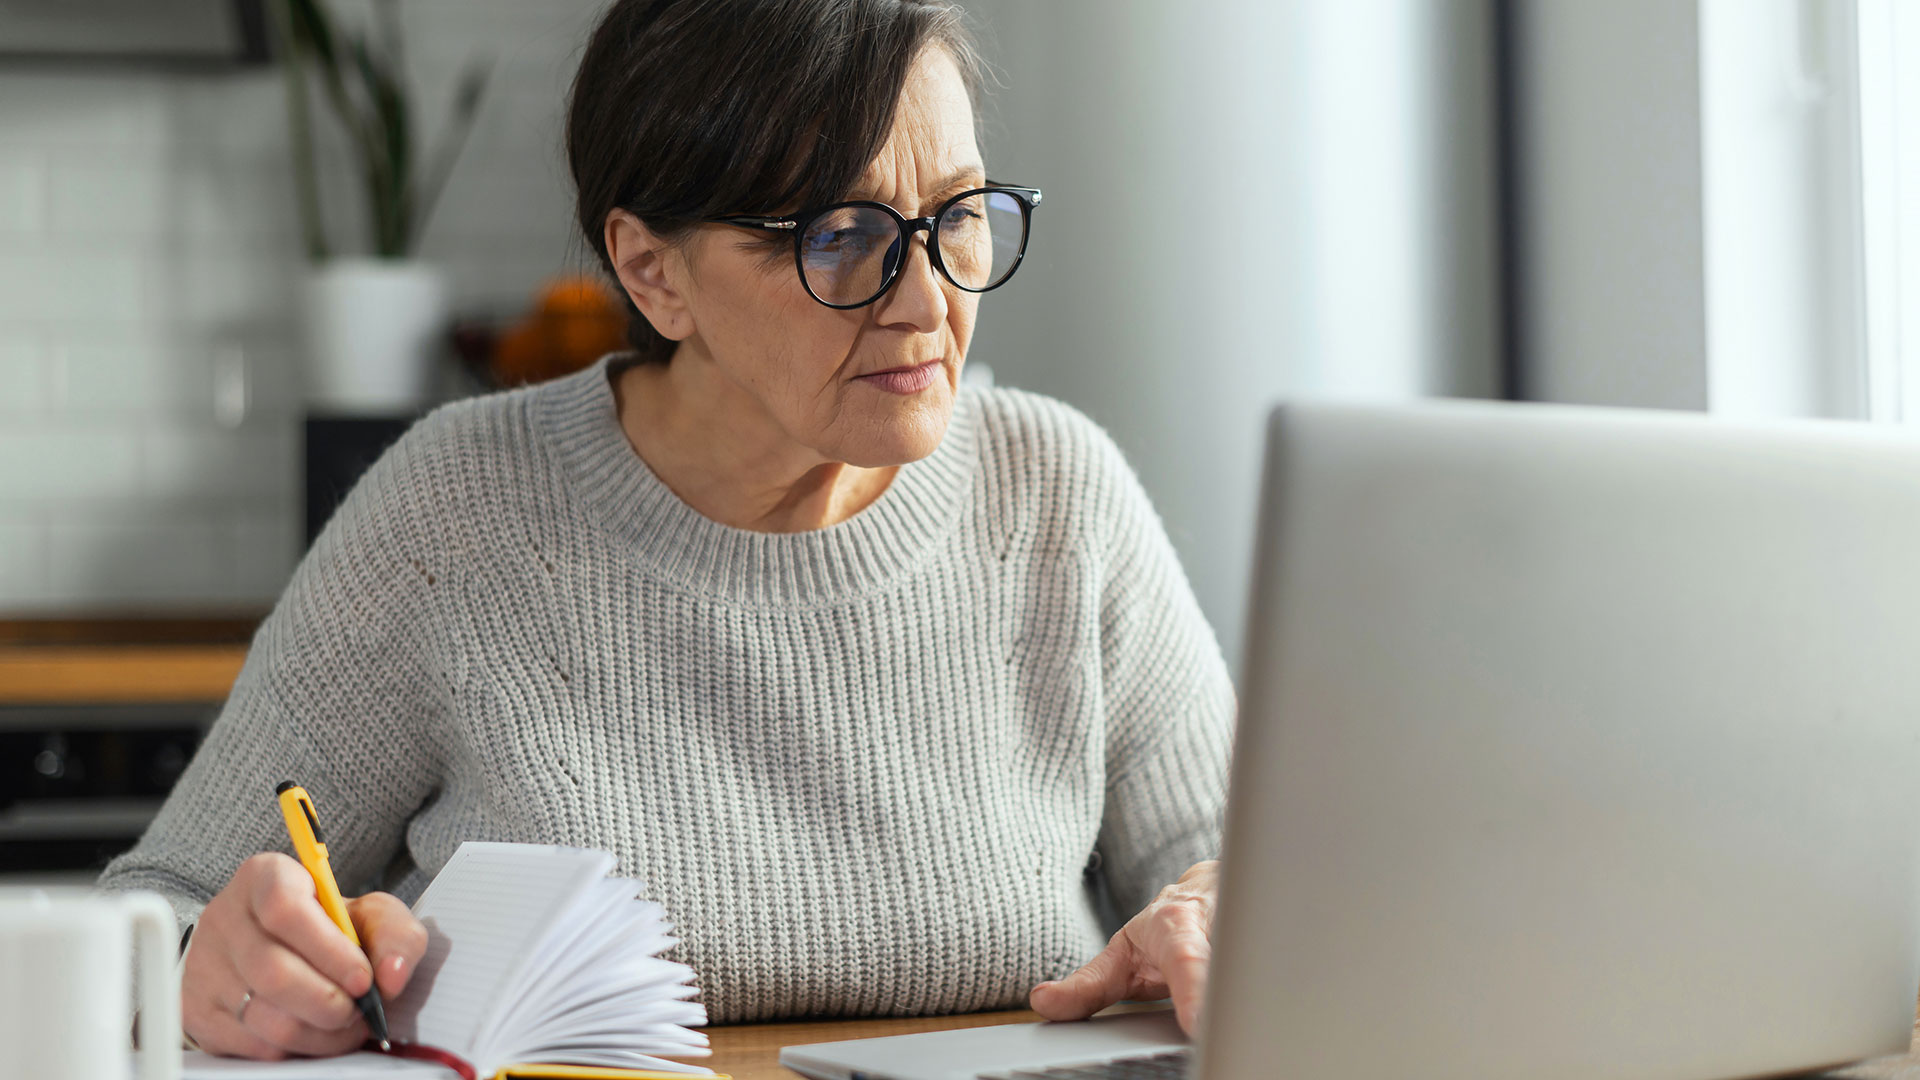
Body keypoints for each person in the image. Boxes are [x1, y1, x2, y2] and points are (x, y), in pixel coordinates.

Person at [98, 0, 1233, 1059]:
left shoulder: (1059, 496)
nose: (926, 298)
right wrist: (213, 962)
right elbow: (152, 917)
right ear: (653, 272)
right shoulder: (456, 513)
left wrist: (1221, 912)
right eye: (842, 237)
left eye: (959, 217)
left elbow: (1257, 877)